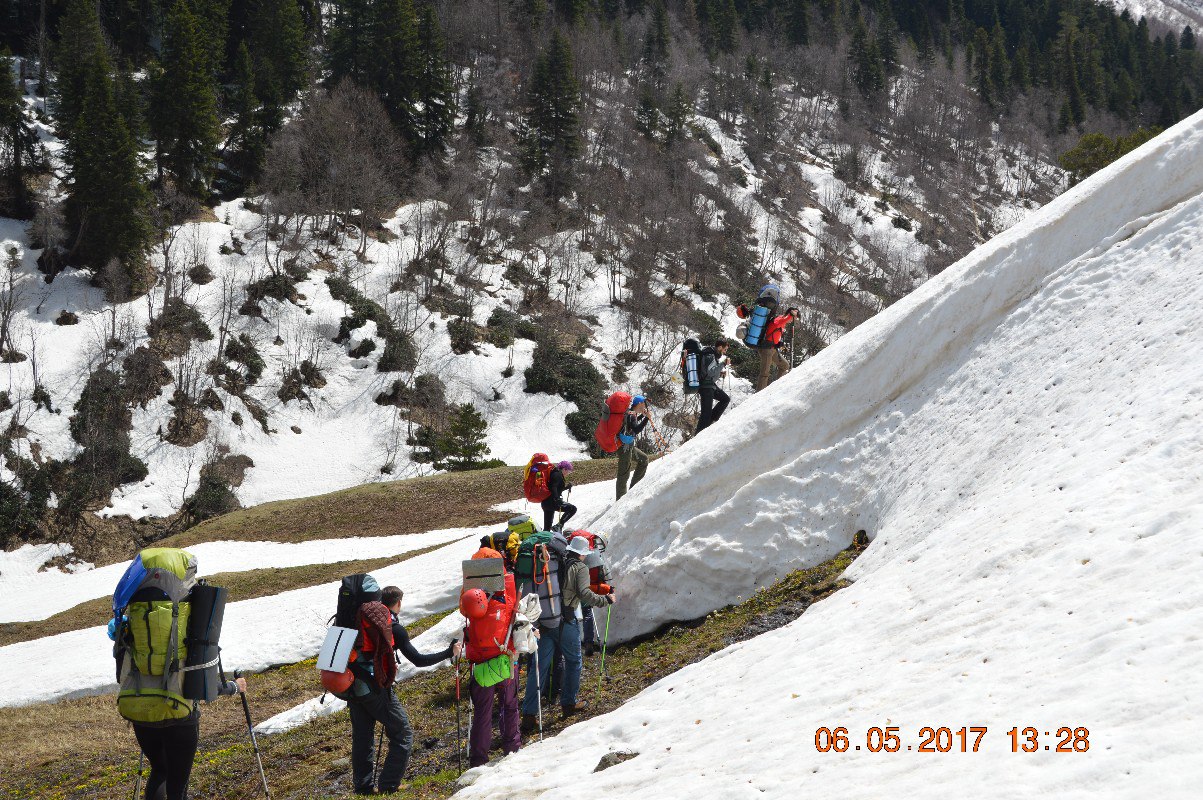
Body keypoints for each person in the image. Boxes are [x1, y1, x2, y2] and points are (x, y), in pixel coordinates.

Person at [348, 585, 459, 795]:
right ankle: (389, 784)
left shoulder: (359, 620)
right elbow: (418, 660)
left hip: (352, 686)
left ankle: (363, 787)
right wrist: (448, 652)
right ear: (398, 603)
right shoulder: (391, 627)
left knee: (362, 737)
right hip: (376, 689)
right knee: (403, 733)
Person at [521, 537, 616, 727]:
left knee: (539, 668)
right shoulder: (579, 568)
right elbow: (584, 594)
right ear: (583, 553)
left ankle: (529, 715)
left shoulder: (551, 564)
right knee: (574, 661)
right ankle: (568, 704)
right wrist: (606, 600)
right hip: (567, 621)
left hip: (544, 622)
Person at [129, 676, 246, 800]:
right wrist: (234, 687)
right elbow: (203, 686)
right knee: (177, 788)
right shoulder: (185, 654)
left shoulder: (135, 654)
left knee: (160, 768)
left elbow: (123, 677)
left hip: (143, 718)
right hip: (181, 720)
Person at [461, 555, 521, 768]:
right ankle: (512, 749)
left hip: (480, 661)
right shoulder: (508, 586)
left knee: (482, 713)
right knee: (509, 705)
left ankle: (478, 759)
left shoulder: (470, 591)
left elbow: (463, 610)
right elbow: (516, 611)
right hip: (505, 658)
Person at [756, 307, 800, 391]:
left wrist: (780, 345)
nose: (793, 320)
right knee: (764, 373)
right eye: (794, 318)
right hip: (766, 349)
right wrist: (790, 315)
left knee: (785, 366)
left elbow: (774, 335)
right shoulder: (780, 319)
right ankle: (759, 394)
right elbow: (777, 323)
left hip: (772, 349)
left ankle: (776, 389)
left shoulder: (783, 322)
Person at [615, 396, 650, 500]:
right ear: (639, 403)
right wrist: (647, 418)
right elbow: (636, 428)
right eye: (644, 403)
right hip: (625, 448)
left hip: (628, 445)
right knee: (623, 474)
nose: (645, 405)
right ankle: (620, 500)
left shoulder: (630, 413)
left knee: (644, 459)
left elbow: (631, 424)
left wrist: (642, 417)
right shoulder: (632, 415)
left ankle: (633, 490)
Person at [696, 339, 731, 434]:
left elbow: (710, 371)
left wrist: (720, 373)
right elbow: (710, 372)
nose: (725, 352)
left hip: (710, 385)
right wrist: (723, 364)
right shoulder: (709, 355)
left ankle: (710, 422)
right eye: (725, 349)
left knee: (725, 399)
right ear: (720, 347)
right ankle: (698, 436)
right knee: (705, 414)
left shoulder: (711, 355)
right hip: (706, 387)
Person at [541, 460, 576, 532]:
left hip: (546, 502)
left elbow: (556, 488)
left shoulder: (554, 473)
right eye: (568, 471)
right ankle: (558, 525)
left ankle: (544, 539)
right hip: (553, 502)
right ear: (564, 469)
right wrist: (557, 499)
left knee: (547, 528)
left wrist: (566, 487)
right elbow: (553, 487)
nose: (568, 473)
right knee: (572, 509)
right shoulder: (558, 475)